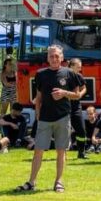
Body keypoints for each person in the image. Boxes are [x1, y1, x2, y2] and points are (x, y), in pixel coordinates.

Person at [16, 45, 80, 193]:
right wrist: (38, 113)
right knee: (38, 150)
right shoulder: (40, 74)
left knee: (60, 151)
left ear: (62, 58)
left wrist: (64, 93)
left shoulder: (69, 73)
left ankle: (58, 181)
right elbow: (38, 97)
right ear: (47, 58)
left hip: (63, 117)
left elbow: (77, 95)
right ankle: (31, 182)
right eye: (51, 56)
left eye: (57, 56)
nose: (54, 59)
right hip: (44, 118)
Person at [66, 58, 88, 159]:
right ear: (71, 66)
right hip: (64, 107)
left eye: (80, 66)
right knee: (64, 131)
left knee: (81, 130)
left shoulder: (79, 76)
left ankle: (81, 152)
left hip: (76, 107)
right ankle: (62, 153)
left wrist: (80, 95)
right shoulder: (64, 75)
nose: (80, 68)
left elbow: (84, 88)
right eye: (78, 66)